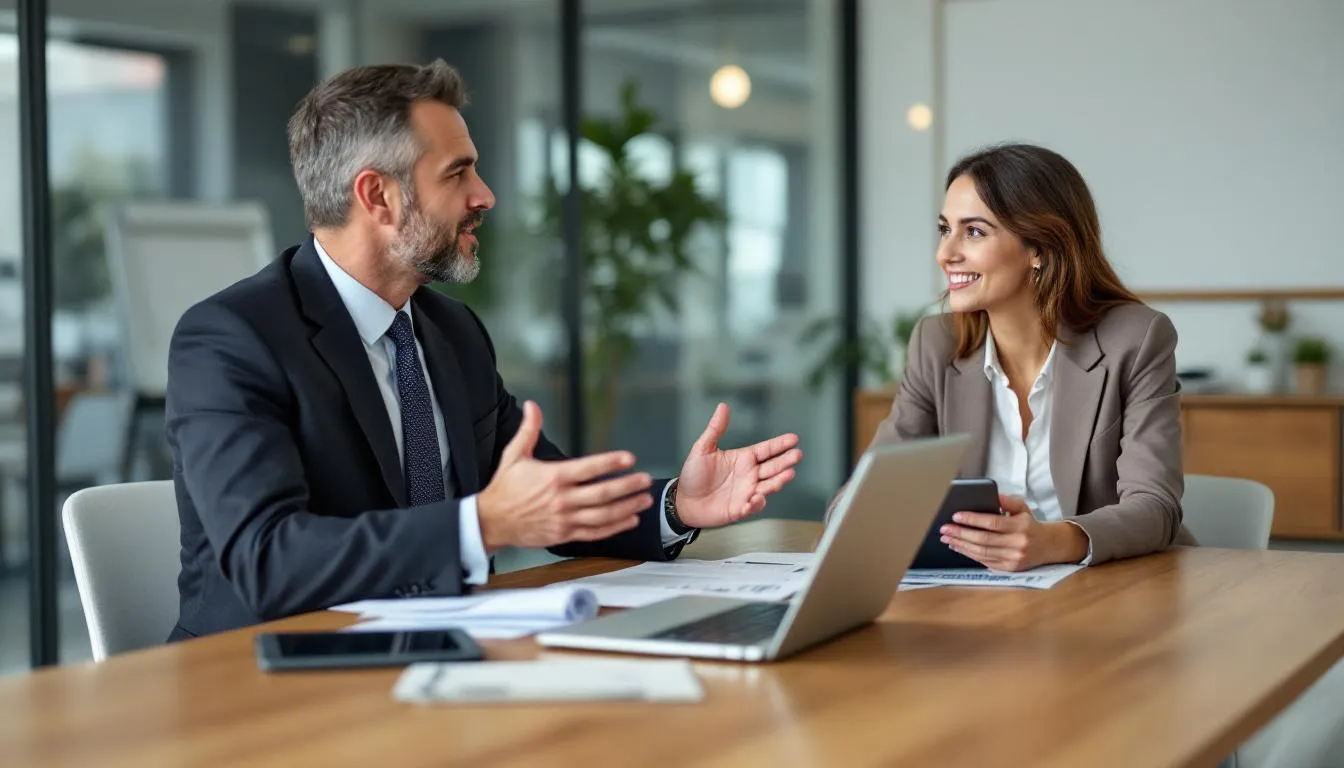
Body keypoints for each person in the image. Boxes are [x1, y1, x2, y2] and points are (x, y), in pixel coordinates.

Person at [164, 60, 803, 640]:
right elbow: (266, 561)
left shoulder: (450, 333)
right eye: (458, 173)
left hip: (437, 659)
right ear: (376, 196)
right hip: (268, 688)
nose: (485, 196)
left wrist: (676, 505)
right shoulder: (231, 340)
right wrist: (481, 526)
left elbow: (549, 495)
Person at [838, 142, 1192, 569]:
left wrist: (1054, 541)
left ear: (1039, 248)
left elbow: (1155, 508)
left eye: (974, 231)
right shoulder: (936, 344)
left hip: (1111, 591)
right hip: (978, 597)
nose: (945, 254)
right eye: (944, 229)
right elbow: (856, 502)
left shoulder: (1134, 340)